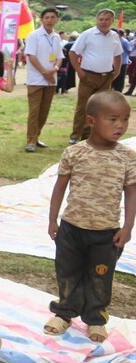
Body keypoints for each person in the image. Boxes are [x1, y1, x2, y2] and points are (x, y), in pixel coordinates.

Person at [44, 91, 136, 344]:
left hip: (106, 233)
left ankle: (95, 318)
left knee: (100, 277)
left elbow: (131, 193)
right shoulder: (74, 153)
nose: (120, 125)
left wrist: (128, 227)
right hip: (71, 229)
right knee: (68, 273)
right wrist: (53, 220)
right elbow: (60, 188)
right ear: (91, 121)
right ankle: (64, 312)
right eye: (113, 119)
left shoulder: (127, 157)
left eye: (125, 119)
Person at [69, 9, 122, 143]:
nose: (103, 22)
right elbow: (73, 53)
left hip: (106, 77)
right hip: (88, 76)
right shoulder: (88, 34)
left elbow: (117, 54)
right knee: (84, 107)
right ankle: (76, 135)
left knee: (101, 107)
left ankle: (93, 135)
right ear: (96, 20)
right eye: (101, 19)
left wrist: (117, 70)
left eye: (107, 19)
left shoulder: (114, 36)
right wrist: (80, 72)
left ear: (112, 21)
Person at [24, 7, 62, 153]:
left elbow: (59, 57)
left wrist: (55, 69)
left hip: (51, 80)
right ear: (41, 20)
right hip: (36, 79)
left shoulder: (56, 37)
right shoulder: (34, 35)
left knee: (44, 111)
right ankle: (30, 141)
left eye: (53, 17)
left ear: (57, 19)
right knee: (34, 111)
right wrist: (45, 72)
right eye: (47, 17)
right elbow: (31, 56)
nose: (50, 20)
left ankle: (36, 136)